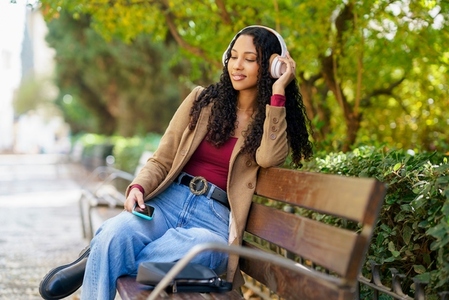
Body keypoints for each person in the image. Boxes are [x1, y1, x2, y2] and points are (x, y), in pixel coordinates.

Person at [39, 25, 313, 300]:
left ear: (272, 66)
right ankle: (107, 248)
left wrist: (278, 92)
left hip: (213, 220)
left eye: (250, 59)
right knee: (115, 232)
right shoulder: (200, 101)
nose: (237, 65)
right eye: (233, 56)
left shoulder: (270, 120)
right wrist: (138, 187)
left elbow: (269, 157)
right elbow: (163, 157)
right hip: (167, 204)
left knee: (202, 247)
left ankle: (99, 257)